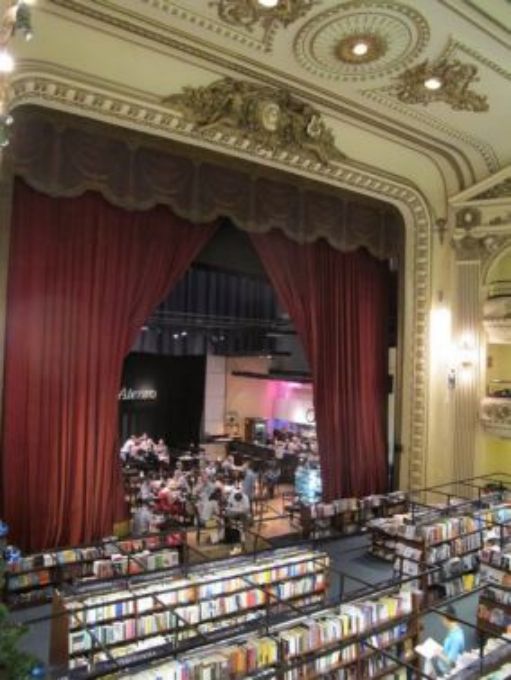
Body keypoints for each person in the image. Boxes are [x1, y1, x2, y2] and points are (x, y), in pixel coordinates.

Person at [432, 605, 466, 676]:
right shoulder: (454, 630)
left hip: (447, 672)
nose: (442, 621)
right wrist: (441, 650)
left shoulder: (455, 638)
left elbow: (451, 662)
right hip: (443, 664)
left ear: (446, 619)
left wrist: (438, 653)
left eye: (442, 618)